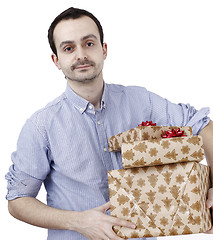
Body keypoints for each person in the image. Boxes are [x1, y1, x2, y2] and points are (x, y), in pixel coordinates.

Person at [5, 6, 213, 240]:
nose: (81, 54)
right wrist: (78, 221)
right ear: (56, 60)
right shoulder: (40, 126)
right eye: (68, 48)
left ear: (104, 50)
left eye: (89, 43)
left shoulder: (141, 101)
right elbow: (18, 200)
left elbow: (203, 126)